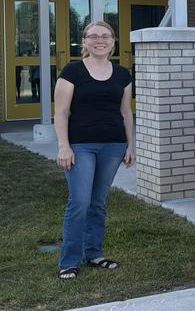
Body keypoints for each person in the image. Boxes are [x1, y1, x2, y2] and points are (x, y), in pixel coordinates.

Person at [54, 21, 135, 280]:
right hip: (80, 144)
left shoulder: (123, 74)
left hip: (113, 145)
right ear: (84, 42)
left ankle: (94, 253)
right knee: (79, 202)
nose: (100, 40)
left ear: (113, 42)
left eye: (106, 36)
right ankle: (69, 260)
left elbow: (126, 111)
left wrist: (131, 144)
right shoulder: (72, 71)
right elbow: (61, 111)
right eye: (93, 36)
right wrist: (63, 146)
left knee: (98, 203)